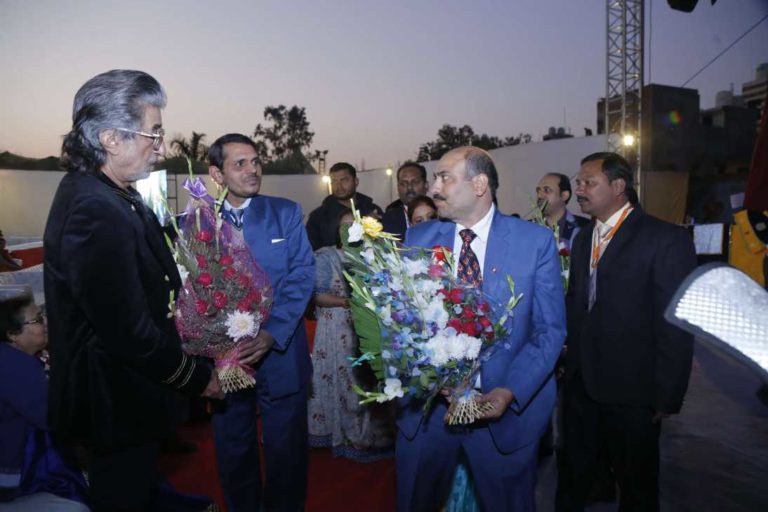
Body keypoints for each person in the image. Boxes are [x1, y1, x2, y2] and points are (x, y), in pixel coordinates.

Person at [43, 69, 223, 512]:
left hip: (128, 398)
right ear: (110, 138)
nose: (160, 147)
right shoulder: (94, 208)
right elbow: (129, 333)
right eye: (153, 133)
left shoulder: (111, 193)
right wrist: (198, 379)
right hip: (114, 405)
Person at [399, 147, 566, 511]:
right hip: (429, 415)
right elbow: (401, 320)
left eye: (445, 178)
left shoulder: (533, 243)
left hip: (503, 417)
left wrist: (509, 391)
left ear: (479, 185)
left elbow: (549, 331)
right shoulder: (418, 239)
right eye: (435, 178)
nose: (434, 187)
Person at [556, 152, 696, 512]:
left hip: (633, 392)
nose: (579, 189)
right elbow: (579, 303)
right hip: (581, 386)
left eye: (589, 182)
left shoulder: (665, 239)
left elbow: (677, 323)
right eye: (578, 182)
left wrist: (667, 395)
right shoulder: (584, 239)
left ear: (618, 186)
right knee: (573, 476)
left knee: (637, 486)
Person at [207, 133, 315, 512]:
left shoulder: (285, 212)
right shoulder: (198, 222)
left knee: (286, 451)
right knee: (233, 448)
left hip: (281, 352)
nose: (252, 170)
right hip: (226, 358)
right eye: (240, 164)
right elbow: (191, 287)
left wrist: (273, 333)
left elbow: (303, 274)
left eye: (255, 161)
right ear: (216, 174)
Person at [308, 209, 394, 461]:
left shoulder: (372, 256)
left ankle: (368, 435)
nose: (350, 230)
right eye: (345, 225)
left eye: (355, 225)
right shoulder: (326, 256)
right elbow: (318, 296)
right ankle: (340, 434)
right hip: (336, 330)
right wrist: (350, 303)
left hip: (366, 329)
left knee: (366, 380)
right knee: (343, 379)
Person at [0, 288, 89, 511]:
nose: (47, 322)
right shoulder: (16, 367)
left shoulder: (13, 357)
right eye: (38, 319)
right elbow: (52, 418)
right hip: (10, 472)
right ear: (12, 334)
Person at [306, 162, 383, 250]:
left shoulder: (372, 210)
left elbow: (386, 247)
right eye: (334, 181)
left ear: (356, 181)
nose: (338, 186)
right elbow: (310, 251)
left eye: (344, 180)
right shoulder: (318, 216)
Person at [535, 172, 589, 250]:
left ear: (564, 196)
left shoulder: (586, 228)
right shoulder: (528, 228)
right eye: (538, 191)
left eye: (546, 190)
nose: (539, 196)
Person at [382, 162, 429, 239]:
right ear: (398, 188)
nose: (409, 187)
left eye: (415, 182)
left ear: (426, 185)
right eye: (404, 183)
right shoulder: (386, 221)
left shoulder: (440, 216)